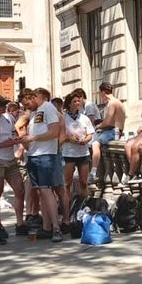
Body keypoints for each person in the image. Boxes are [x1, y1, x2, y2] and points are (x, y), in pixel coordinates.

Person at [21, 88, 64, 242]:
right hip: (34, 154)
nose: (28, 108)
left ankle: (56, 227)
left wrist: (33, 138)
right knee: (40, 192)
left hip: (45, 155)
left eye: (28, 104)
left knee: (46, 191)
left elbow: (54, 132)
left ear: (33, 97)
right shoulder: (35, 112)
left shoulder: (48, 108)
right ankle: (46, 226)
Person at [0, 96, 23, 244]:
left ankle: (20, 222)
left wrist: (16, 141)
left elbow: (13, 133)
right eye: (0, 107)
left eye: (4, 107)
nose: (2, 110)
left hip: (10, 158)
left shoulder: (7, 119)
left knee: (19, 189)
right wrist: (5, 144)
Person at [61, 91, 94, 225]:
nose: (77, 103)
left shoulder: (84, 118)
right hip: (68, 153)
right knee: (67, 183)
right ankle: (66, 213)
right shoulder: (63, 118)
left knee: (83, 182)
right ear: (69, 104)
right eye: (74, 101)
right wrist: (70, 139)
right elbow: (61, 134)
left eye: (79, 101)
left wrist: (85, 140)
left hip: (83, 153)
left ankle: (84, 209)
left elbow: (90, 133)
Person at [94, 82, 126, 183]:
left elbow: (108, 121)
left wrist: (98, 126)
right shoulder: (118, 102)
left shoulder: (112, 103)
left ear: (103, 92)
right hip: (116, 131)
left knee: (95, 144)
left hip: (114, 131)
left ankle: (94, 172)